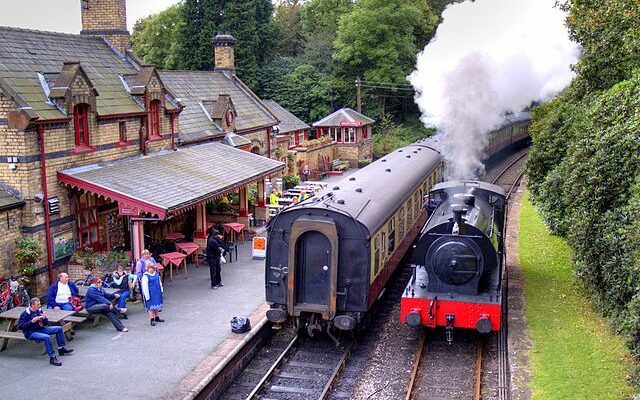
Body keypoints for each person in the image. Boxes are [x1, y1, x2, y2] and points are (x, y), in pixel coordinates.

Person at [18, 298, 73, 366]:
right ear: (32, 305)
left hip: (40, 329)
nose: (40, 305)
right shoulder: (25, 314)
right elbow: (20, 326)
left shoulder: (39, 310)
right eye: (38, 304)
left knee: (59, 328)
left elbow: (46, 323)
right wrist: (31, 321)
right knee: (47, 337)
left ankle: (61, 349)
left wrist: (44, 319)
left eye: (40, 304)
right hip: (30, 332)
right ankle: (52, 358)